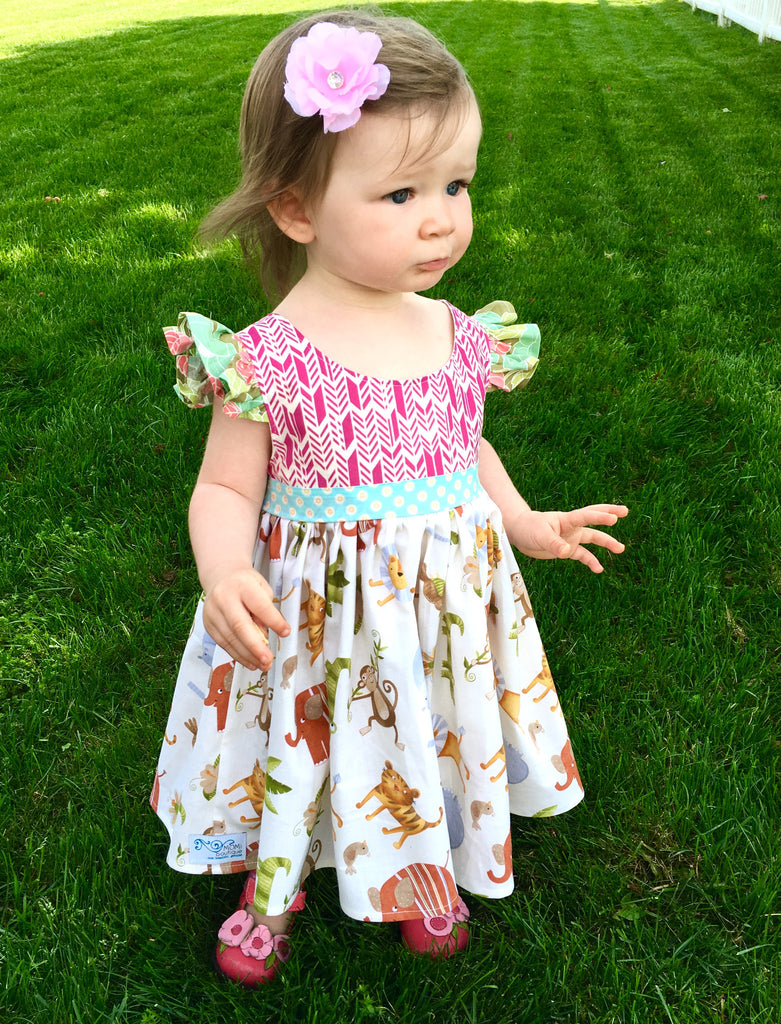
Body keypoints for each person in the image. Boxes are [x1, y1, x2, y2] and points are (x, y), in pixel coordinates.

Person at [150, 8, 628, 987]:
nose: (441, 217)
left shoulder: (457, 333)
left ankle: (422, 865)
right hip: (316, 618)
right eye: (402, 192)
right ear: (296, 209)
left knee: (426, 722)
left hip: (437, 609)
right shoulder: (265, 360)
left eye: (457, 184)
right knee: (308, 739)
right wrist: (224, 567)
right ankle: (273, 882)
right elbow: (225, 482)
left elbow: (464, 447)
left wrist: (522, 520)